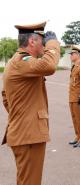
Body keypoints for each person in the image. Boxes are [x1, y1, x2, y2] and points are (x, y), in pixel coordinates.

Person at [1, 22, 60, 185]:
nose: (44, 44)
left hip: (24, 133)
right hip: (28, 136)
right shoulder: (22, 60)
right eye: (43, 40)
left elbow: (5, 96)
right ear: (32, 41)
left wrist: (20, 113)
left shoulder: (16, 61)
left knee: (26, 180)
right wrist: (53, 44)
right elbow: (49, 66)